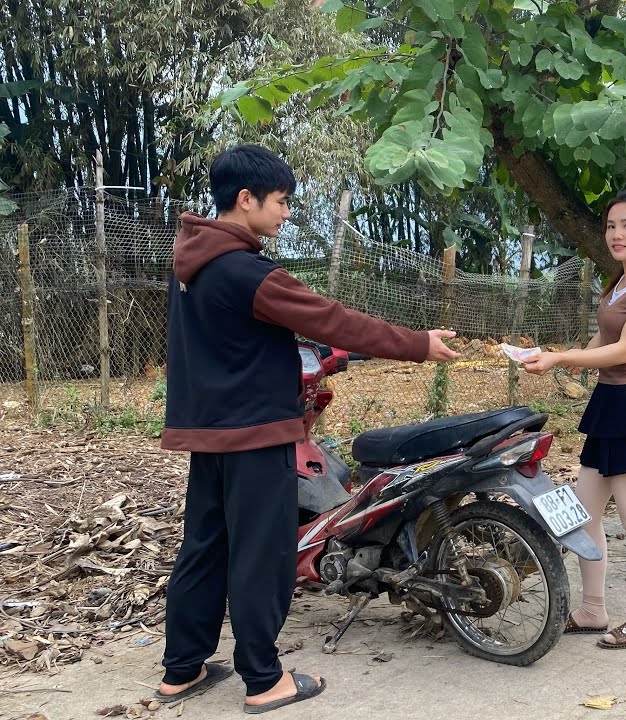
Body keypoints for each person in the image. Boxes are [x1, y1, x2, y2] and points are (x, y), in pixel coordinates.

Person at [155, 144, 459, 713]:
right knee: (261, 554)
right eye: (281, 202)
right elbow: (332, 318)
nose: (287, 214)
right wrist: (418, 344)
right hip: (259, 434)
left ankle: (182, 669)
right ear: (246, 200)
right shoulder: (250, 273)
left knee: (204, 548)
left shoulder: (190, 265)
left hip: (210, 435)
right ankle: (264, 680)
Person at [520, 190, 626, 649]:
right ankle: (593, 609)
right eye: (611, 225)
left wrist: (562, 358)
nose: (617, 234)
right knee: (582, 514)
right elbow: (605, 337)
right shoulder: (620, 280)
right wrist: (554, 357)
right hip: (610, 403)